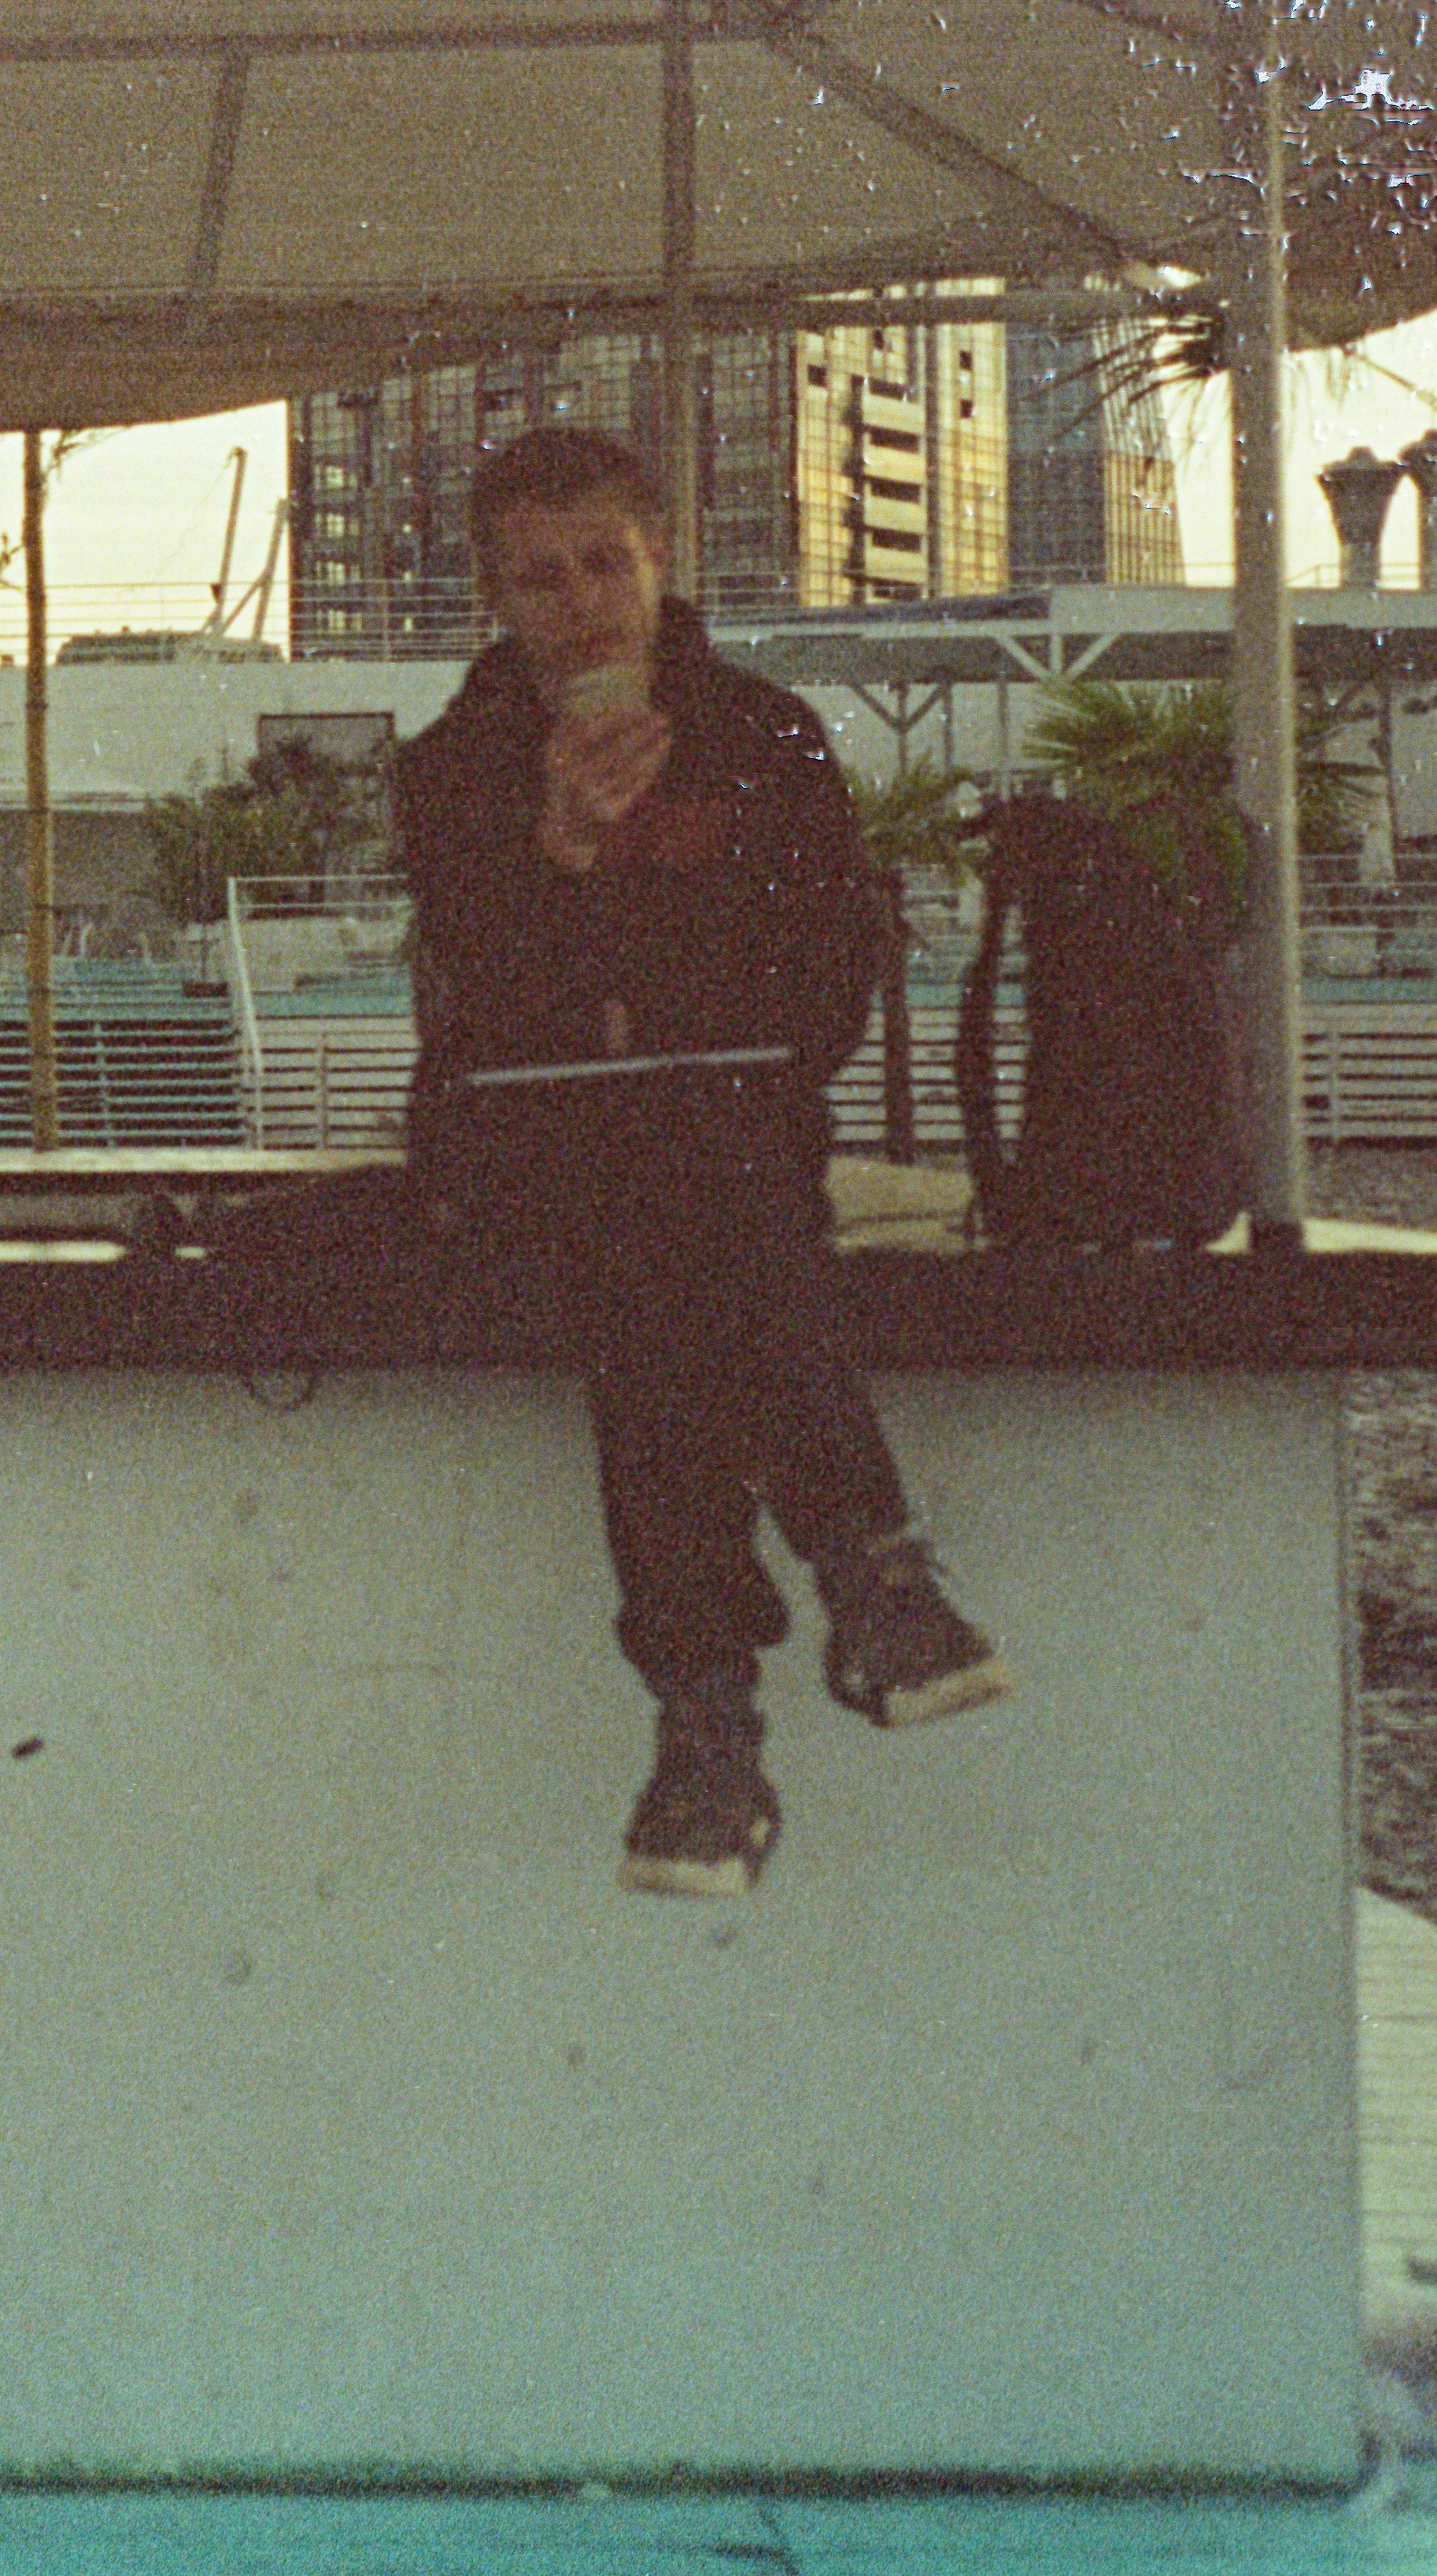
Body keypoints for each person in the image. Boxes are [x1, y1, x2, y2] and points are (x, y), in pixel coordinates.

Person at [388, 424, 1010, 1898]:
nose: (583, 603)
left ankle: (707, 1717)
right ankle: (868, 1569)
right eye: (541, 580)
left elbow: (833, 972)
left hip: (716, 1140)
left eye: (607, 563)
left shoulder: (766, 737)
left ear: (663, 565)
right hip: (527, 1141)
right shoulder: (452, 767)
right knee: (670, 1197)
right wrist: (548, 852)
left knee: (663, 1237)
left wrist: (721, 1030)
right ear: (496, 599)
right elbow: (472, 992)